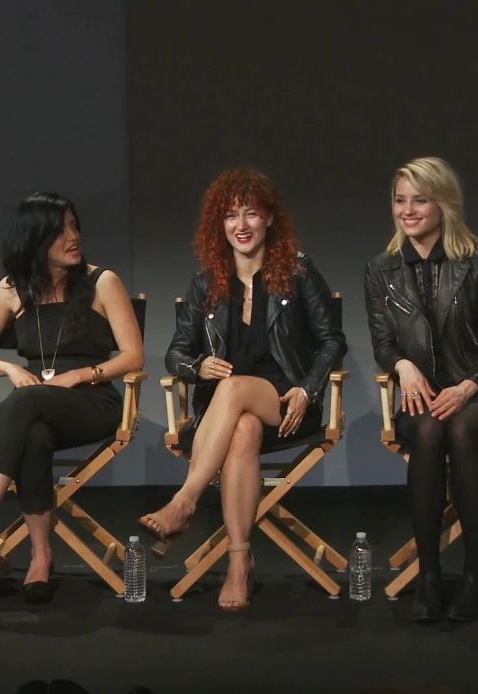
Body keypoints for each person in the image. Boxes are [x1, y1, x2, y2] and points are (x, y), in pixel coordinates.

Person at [138, 168, 346, 611]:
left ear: (270, 219)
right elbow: (176, 353)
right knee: (243, 429)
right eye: (232, 216)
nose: (242, 225)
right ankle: (239, 561)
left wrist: (309, 389)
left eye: (252, 213)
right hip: (227, 419)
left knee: (233, 392)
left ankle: (184, 502)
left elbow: (333, 340)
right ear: (221, 224)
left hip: (288, 401)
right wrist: (197, 365)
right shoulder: (205, 284)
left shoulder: (299, 273)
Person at [364, 157, 478, 622]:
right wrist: (402, 365)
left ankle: (475, 575)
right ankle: (429, 575)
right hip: (428, 396)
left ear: (443, 205)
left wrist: (466, 387)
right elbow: (381, 342)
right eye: (401, 200)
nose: (408, 210)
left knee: (460, 427)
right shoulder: (380, 269)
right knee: (426, 431)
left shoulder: (476, 261)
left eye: (420, 200)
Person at [0, 193, 144, 603]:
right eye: (60, 230)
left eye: (75, 225)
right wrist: (8, 369)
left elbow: (134, 355)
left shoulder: (102, 281)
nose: (73, 237)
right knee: (34, 434)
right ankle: (41, 558)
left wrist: (78, 375)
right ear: (35, 240)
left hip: (94, 402)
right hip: (37, 408)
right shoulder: (11, 290)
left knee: (20, 405)